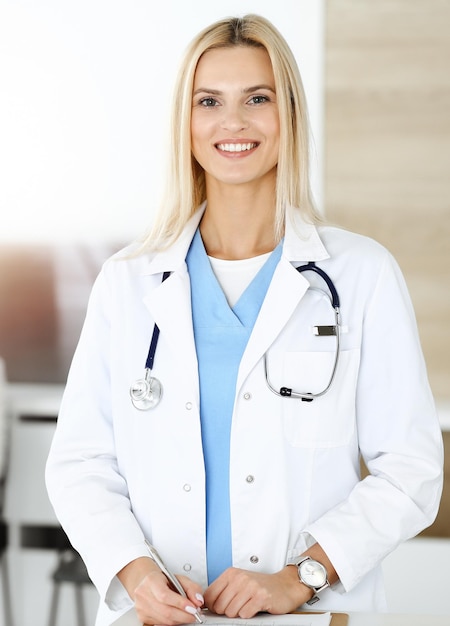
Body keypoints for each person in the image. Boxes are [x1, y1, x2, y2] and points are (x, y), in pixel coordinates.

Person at [45, 13, 444, 626]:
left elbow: (410, 470)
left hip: (305, 617)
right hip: (159, 616)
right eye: (210, 102)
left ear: (289, 115)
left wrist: (302, 577)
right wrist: (135, 572)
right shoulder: (128, 284)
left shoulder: (361, 275)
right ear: (188, 122)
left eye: (257, 98)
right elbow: (79, 464)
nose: (233, 122)